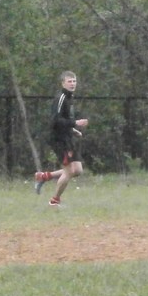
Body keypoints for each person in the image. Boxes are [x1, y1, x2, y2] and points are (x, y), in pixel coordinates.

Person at [34, 71, 89, 207]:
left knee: (78, 170)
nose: (72, 84)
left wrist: (73, 130)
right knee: (69, 171)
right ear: (63, 83)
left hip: (67, 137)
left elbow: (64, 120)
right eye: (69, 81)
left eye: (74, 81)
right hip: (59, 139)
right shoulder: (61, 98)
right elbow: (56, 121)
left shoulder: (70, 97)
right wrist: (75, 123)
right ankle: (54, 201)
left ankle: (44, 176)